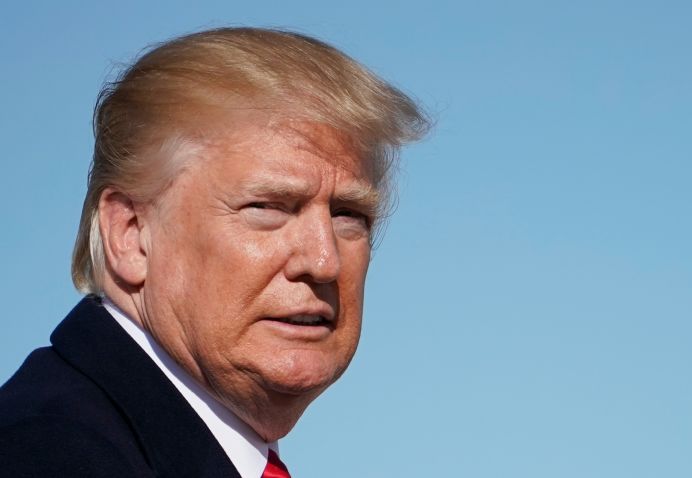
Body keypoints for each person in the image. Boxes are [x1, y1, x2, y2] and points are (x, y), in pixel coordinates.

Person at [0, 27, 428, 477]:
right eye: (268, 207)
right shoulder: (44, 454)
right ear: (130, 234)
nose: (324, 261)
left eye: (348, 215)